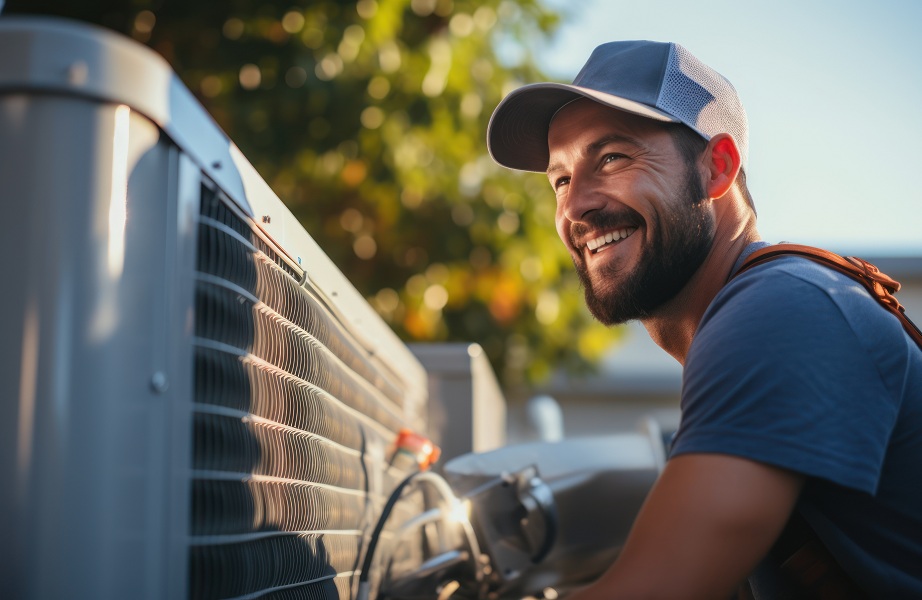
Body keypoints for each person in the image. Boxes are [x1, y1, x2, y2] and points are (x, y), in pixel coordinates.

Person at [486, 40, 922, 598]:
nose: (574, 208)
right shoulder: (752, 317)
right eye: (562, 180)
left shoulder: (783, 309)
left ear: (717, 168)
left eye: (613, 158)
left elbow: (657, 589)